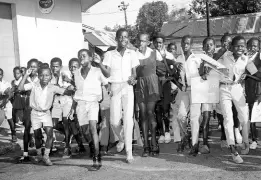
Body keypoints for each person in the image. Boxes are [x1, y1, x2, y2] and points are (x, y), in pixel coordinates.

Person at [18, 66, 74, 166]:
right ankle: (39, 155)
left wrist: (72, 87)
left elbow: (67, 92)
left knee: (49, 134)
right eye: (42, 75)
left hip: (46, 113)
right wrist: (26, 74)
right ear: (39, 76)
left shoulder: (53, 87)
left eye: (47, 75)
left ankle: (46, 156)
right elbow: (20, 88)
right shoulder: (34, 85)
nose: (44, 77)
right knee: (37, 135)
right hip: (35, 113)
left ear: (50, 76)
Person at [102, 28, 139, 163]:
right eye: (121, 37)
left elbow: (134, 72)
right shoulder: (109, 54)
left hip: (128, 87)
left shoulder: (132, 53)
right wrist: (99, 64)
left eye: (126, 37)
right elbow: (106, 74)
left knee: (128, 119)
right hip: (115, 87)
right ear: (116, 39)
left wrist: (133, 78)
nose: (124, 39)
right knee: (114, 121)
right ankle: (122, 139)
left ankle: (129, 151)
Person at [71, 49, 108, 171]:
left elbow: (106, 81)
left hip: (93, 103)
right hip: (80, 104)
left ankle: (96, 159)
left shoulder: (97, 71)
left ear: (91, 58)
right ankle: (93, 145)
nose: (81, 57)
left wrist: (108, 94)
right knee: (85, 131)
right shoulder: (76, 73)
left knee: (93, 127)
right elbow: (77, 91)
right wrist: (72, 108)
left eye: (84, 55)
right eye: (79, 55)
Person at [218, 35, 249, 164]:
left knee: (244, 116)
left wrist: (247, 73)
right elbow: (210, 60)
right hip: (224, 89)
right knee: (228, 118)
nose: (240, 48)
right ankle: (232, 149)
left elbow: (255, 71)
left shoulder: (245, 59)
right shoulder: (224, 56)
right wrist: (221, 51)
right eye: (237, 45)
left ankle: (245, 143)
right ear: (231, 46)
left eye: (242, 45)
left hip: (237, 88)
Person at [175, 35, 203, 156]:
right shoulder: (179, 59)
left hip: (196, 89)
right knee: (181, 115)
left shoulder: (197, 58)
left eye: (188, 43)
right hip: (184, 90)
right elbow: (175, 76)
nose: (185, 45)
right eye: (183, 43)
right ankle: (186, 136)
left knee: (194, 118)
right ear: (181, 44)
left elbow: (203, 74)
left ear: (191, 45)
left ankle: (194, 144)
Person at [135, 33, 160, 157]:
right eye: (139, 41)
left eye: (144, 41)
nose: (141, 43)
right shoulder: (133, 54)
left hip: (152, 84)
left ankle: (154, 141)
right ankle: (146, 145)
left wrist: (175, 64)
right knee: (143, 114)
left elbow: (167, 61)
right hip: (140, 85)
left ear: (148, 42)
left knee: (150, 112)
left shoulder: (155, 52)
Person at [50, 57, 75, 157]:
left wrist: (63, 88)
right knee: (54, 124)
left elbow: (72, 88)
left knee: (65, 121)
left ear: (60, 66)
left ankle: (67, 147)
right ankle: (69, 133)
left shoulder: (65, 75)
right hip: (56, 101)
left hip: (66, 100)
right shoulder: (49, 76)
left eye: (57, 66)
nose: (54, 68)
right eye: (53, 66)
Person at [153, 33, 175, 144]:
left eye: (160, 42)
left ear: (163, 43)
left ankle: (167, 131)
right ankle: (161, 133)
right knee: (157, 109)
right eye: (156, 42)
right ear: (153, 43)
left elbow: (174, 72)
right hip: (155, 85)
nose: (158, 44)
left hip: (166, 84)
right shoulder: (150, 56)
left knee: (166, 108)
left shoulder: (170, 55)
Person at [17, 59, 39, 162]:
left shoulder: (40, 78)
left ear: (38, 67)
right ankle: (25, 154)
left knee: (38, 130)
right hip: (28, 107)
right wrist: (25, 75)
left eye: (34, 66)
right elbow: (20, 88)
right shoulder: (26, 78)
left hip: (39, 107)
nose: (32, 68)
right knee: (26, 129)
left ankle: (40, 153)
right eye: (30, 66)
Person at [244, 37, 261, 150]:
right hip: (245, 90)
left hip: (256, 90)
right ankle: (252, 139)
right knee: (250, 115)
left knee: (255, 115)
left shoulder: (259, 59)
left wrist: (247, 75)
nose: (252, 48)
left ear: (259, 47)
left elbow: (259, 76)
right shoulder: (244, 58)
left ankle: (255, 139)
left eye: (255, 46)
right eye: (250, 45)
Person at [0, 68, 15, 142]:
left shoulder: (6, 83)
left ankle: (13, 134)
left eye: (0, 74)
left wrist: (4, 101)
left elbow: (10, 94)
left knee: (10, 119)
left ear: (2, 75)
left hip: (7, 103)